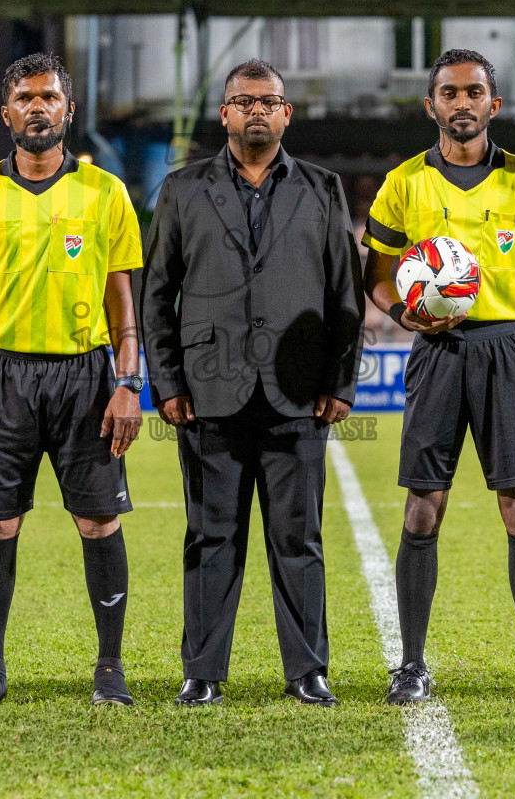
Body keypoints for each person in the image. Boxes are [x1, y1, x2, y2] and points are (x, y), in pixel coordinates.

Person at [140, 58, 364, 707]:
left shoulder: (322, 189)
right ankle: (202, 673)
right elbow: (158, 297)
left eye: (270, 101)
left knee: (300, 541)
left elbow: (342, 296)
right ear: (226, 115)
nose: (258, 111)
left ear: (286, 113)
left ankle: (307, 672)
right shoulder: (182, 191)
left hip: (298, 396)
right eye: (245, 101)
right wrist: (167, 383)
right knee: (211, 538)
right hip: (209, 395)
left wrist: (339, 383)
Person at [0, 52, 144, 707]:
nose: (37, 107)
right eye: (24, 97)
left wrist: (129, 383)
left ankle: (110, 670)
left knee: (99, 523)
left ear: (68, 110)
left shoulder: (105, 192)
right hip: (0, 376)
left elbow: (122, 298)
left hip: (86, 376)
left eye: (49, 96)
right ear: (6, 113)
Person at [362, 48, 515, 706]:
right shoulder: (403, 182)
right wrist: (404, 311)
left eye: (474, 92)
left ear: (493, 104)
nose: (461, 103)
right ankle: (413, 665)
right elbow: (374, 275)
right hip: (436, 353)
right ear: (432, 106)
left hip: (507, 349)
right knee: (424, 506)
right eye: (449, 93)